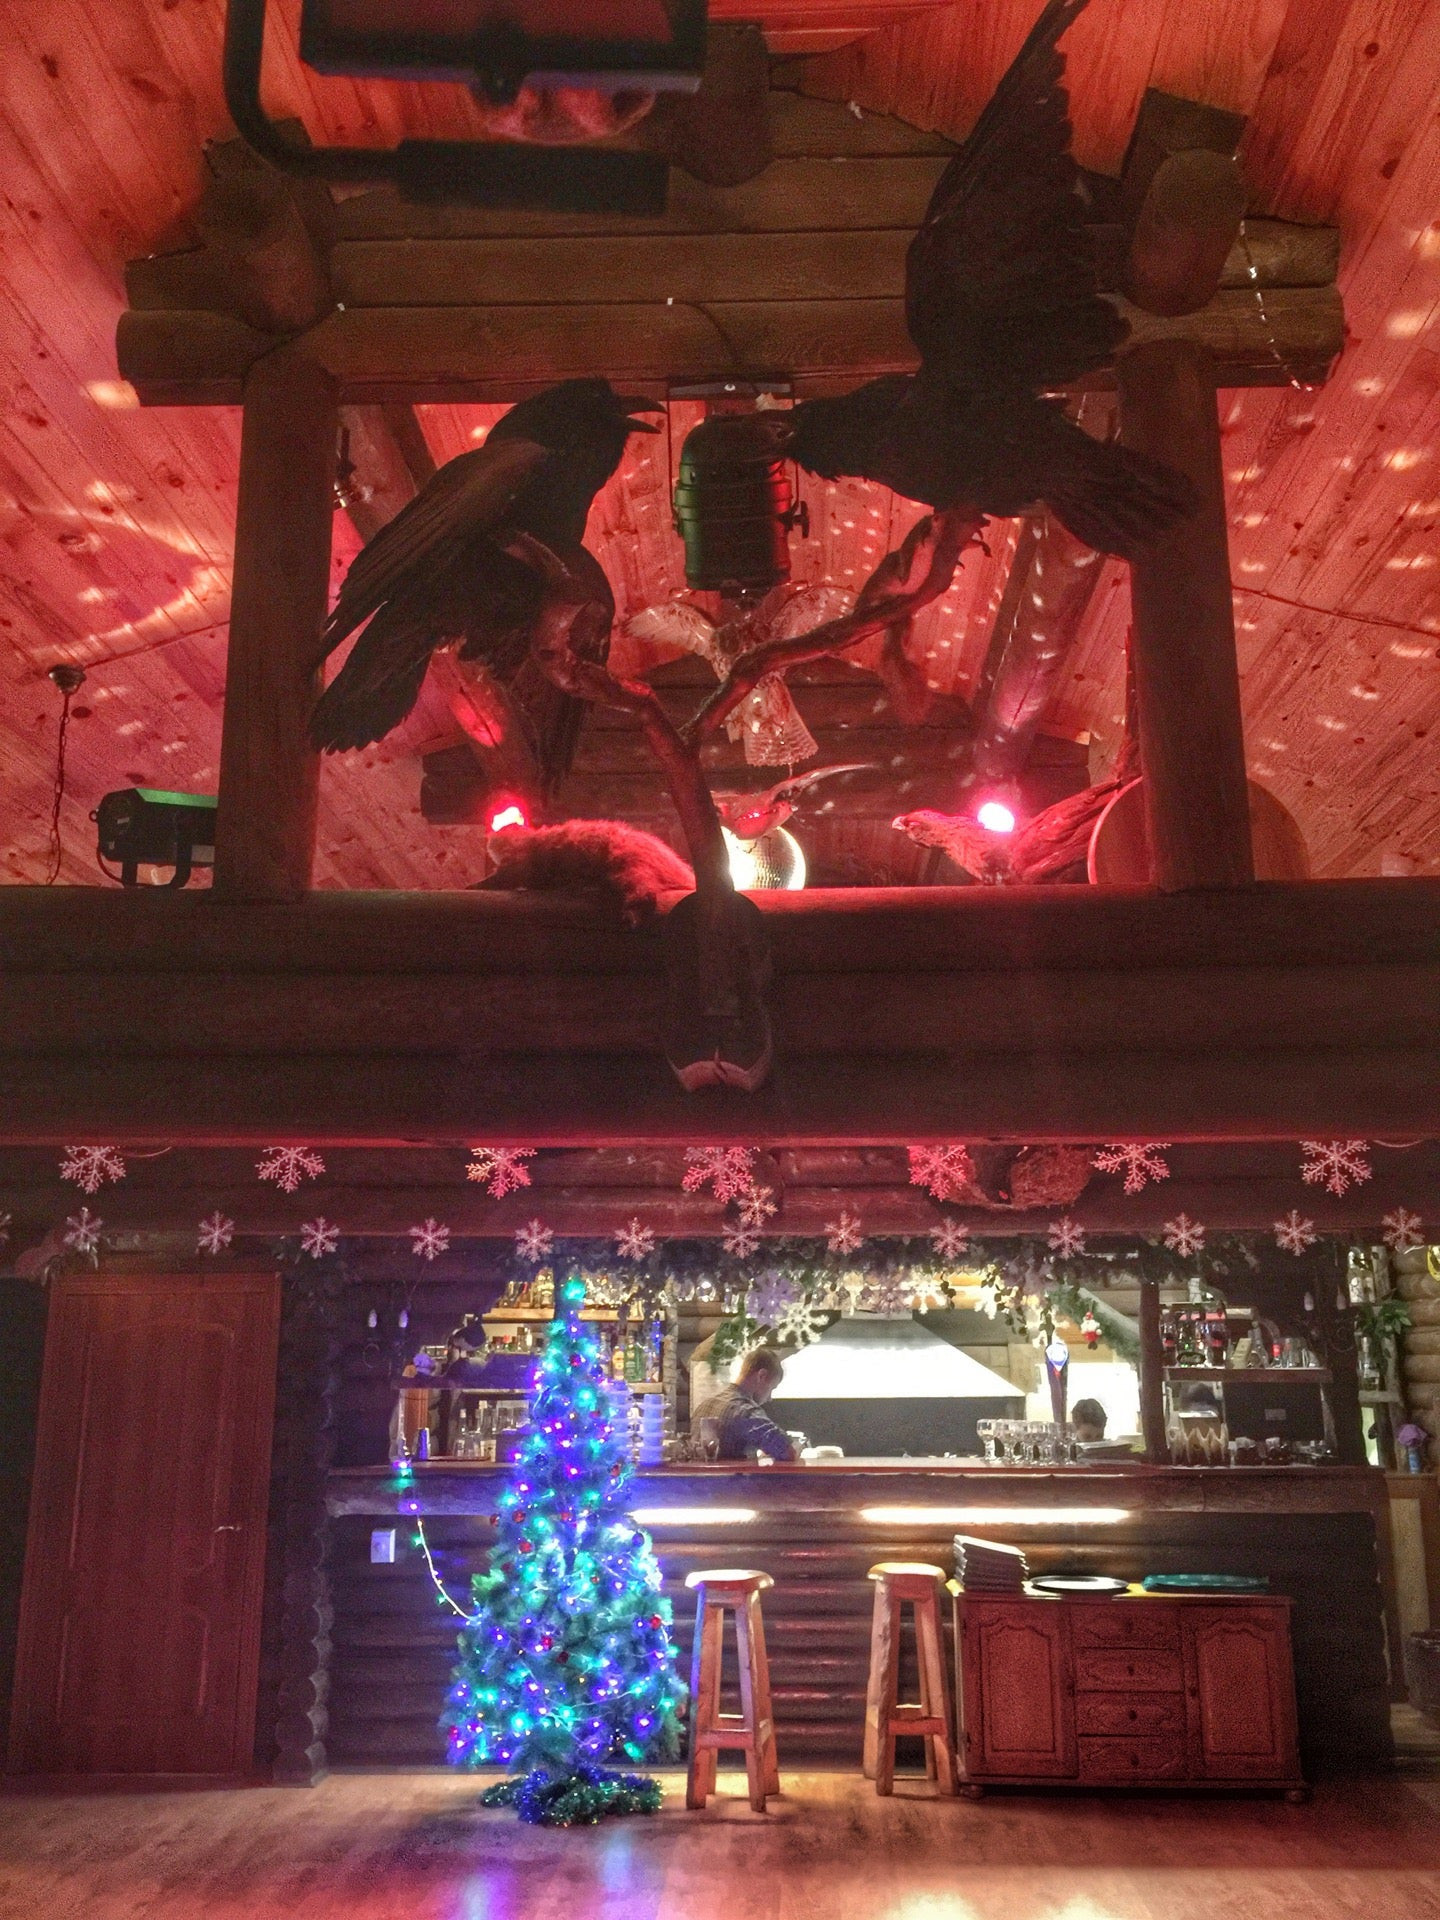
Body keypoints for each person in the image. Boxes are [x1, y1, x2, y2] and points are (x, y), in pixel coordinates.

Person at [690, 1348, 798, 1463]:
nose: (769, 1398)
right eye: (771, 1388)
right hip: (733, 1475)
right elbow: (788, 1452)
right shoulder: (744, 1410)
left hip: (697, 1475)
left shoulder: (704, 1406)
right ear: (761, 1376)